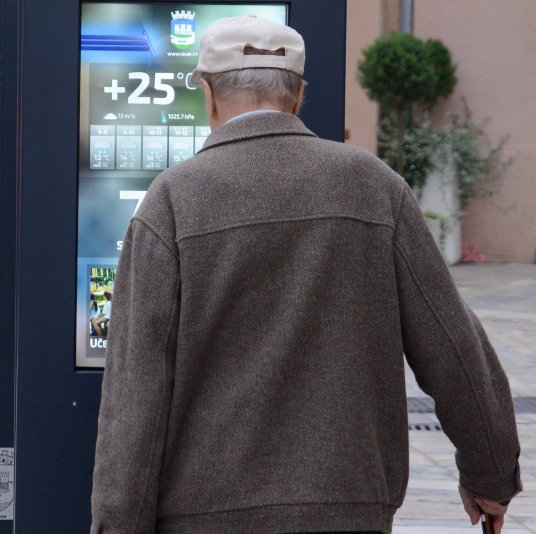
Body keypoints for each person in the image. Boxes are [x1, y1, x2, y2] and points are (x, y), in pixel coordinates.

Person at [90, 16, 521, 534]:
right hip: (348, 506)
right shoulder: (375, 188)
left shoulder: (171, 202)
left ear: (207, 94)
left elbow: (136, 392)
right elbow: (454, 347)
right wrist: (492, 475)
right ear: (297, 96)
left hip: (203, 513)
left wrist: (118, 524)